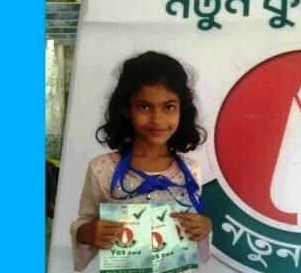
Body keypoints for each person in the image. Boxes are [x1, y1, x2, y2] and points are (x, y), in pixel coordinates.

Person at [71, 51, 212, 272]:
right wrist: (86, 232)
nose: (157, 119)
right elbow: (84, 220)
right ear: (127, 110)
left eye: (168, 107)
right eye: (144, 106)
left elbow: (193, 227)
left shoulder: (191, 171)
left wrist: (205, 226)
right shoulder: (102, 169)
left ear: (181, 110)